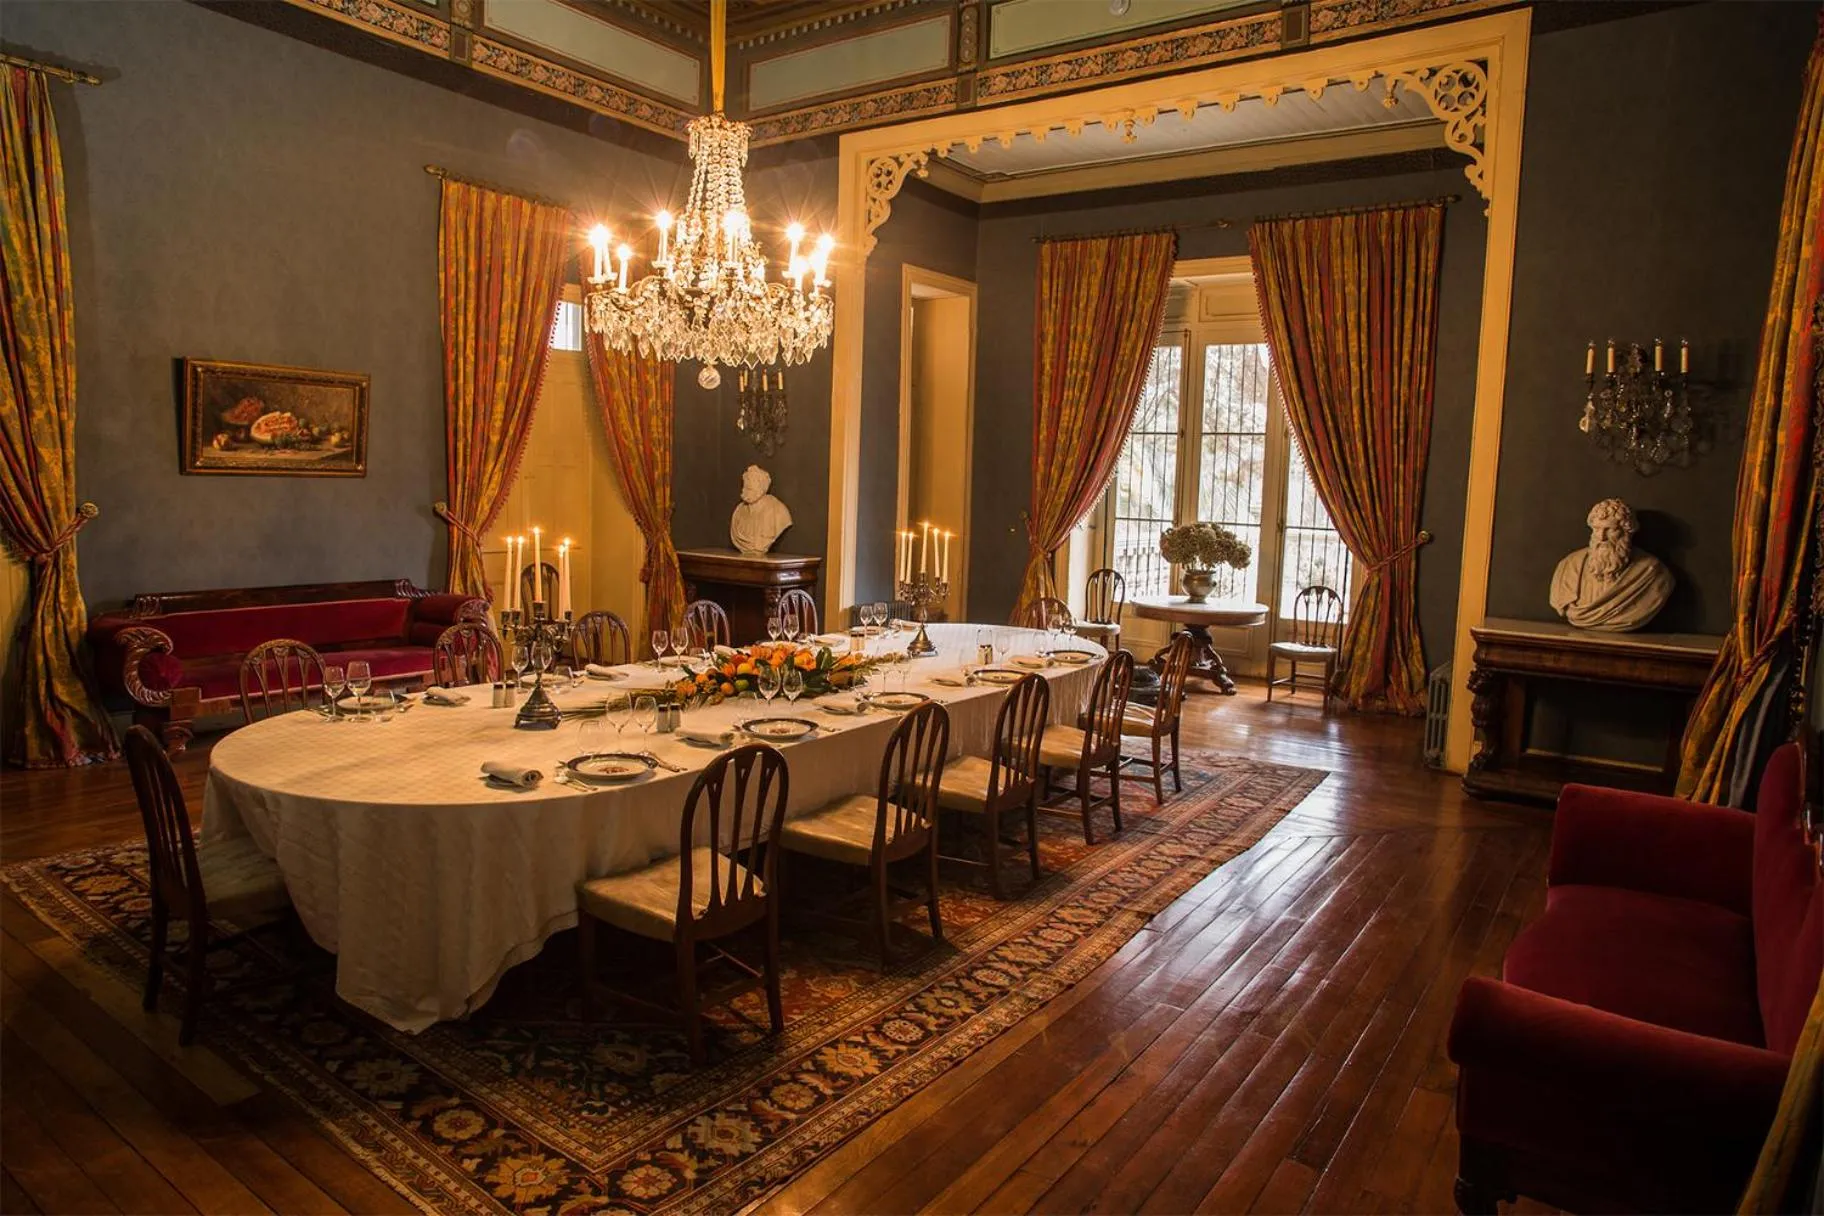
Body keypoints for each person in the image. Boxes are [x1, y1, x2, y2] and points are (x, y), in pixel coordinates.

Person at [1548, 497, 1673, 632]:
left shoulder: (1652, 572)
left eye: (1610, 529)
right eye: (1596, 529)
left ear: (1626, 532)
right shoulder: (1569, 565)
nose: (1601, 537)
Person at [730, 464, 792, 555]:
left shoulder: (778, 510)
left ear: (763, 486)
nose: (747, 485)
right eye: (746, 482)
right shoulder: (739, 511)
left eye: (752, 482)